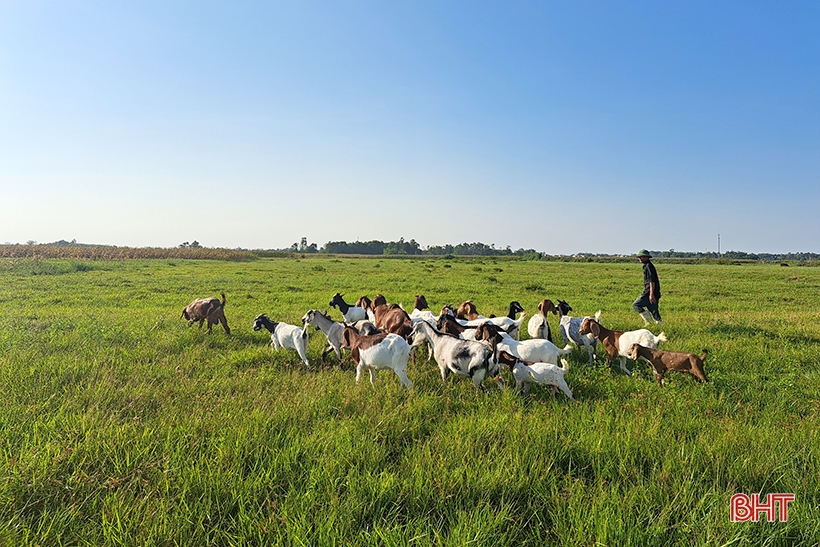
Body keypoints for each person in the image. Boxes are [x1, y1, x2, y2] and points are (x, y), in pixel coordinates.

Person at [633, 249, 662, 325]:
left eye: (642, 257)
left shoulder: (648, 266)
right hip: (654, 292)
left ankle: (649, 322)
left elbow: (651, 281)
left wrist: (651, 294)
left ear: (647, 257)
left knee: (636, 305)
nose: (640, 259)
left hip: (649, 292)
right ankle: (659, 324)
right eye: (639, 257)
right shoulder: (648, 265)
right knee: (654, 310)